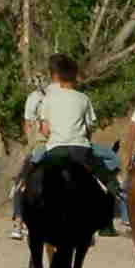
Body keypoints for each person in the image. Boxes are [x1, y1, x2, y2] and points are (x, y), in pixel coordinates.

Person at [36, 53, 122, 236]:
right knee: (107, 182)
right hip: (80, 150)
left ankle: (29, 218)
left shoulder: (48, 99)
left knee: (33, 178)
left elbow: (44, 130)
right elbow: (90, 126)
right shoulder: (83, 99)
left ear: (57, 77)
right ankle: (107, 225)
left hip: (55, 149)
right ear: (75, 77)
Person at [10, 73, 49, 240]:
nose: (41, 83)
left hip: (48, 142)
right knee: (20, 176)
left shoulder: (53, 98)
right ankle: (19, 223)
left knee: (21, 179)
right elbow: (27, 123)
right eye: (39, 79)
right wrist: (30, 142)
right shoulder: (35, 98)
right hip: (40, 142)